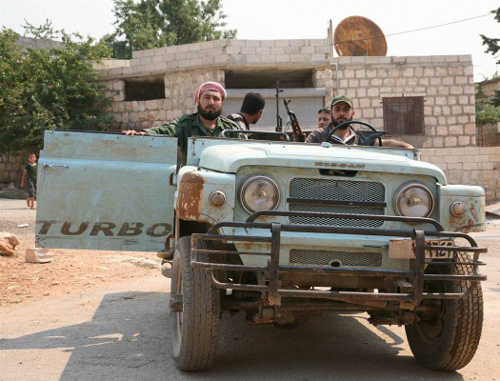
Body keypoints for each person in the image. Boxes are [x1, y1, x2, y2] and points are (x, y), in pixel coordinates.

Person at [123, 81, 242, 165]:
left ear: (221, 103)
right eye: (207, 97)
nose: (211, 102)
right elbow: (165, 130)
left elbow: (244, 152)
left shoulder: (231, 128)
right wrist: (141, 134)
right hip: (193, 183)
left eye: (216, 99)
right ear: (198, 101)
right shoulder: (186, 124)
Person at [306, 95, 413, 148]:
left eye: (346, 109)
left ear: (353, 113)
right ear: (331, 112)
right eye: (337, 109)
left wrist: (407, 147)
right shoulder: (317, 137)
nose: (341, 113)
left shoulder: (361, 139)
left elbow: (383, 143)